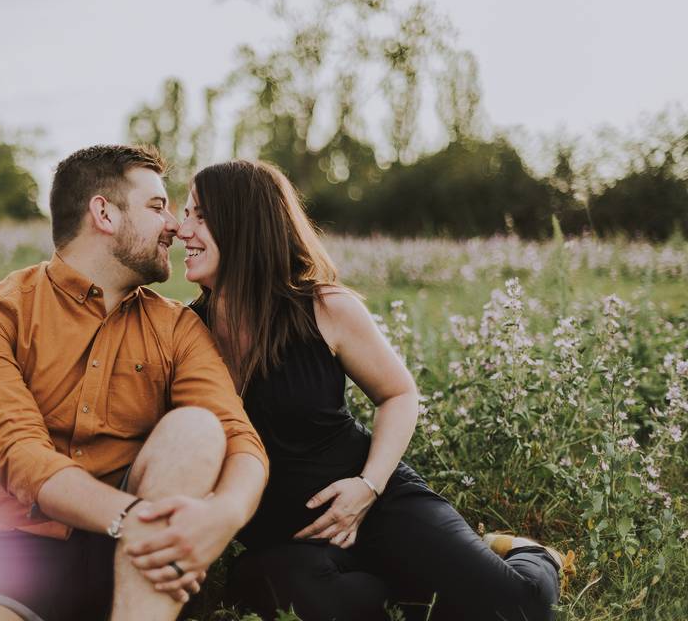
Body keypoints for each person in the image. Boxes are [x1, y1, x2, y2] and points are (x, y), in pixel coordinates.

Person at [176, 159, 574, 621]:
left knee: (517, 608)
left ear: (242, 223)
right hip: (289, 542)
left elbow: (399, 395)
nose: (182, 229)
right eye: (185, 214)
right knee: (300, 599)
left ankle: (530, 552)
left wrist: (367, 486)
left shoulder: (323, 307)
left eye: (199, 215)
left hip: (376, 502)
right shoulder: (186, 330)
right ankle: (414, 580)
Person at [0, 146, 268, 621]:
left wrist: (226, 514)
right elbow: (14, 453)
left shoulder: (178, 328)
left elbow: (238, 438)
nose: (175, 226)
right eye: (157, 207)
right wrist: (131, 518)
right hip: (7, 554)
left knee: (197, 428)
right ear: (104, 213)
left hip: (133, 558)